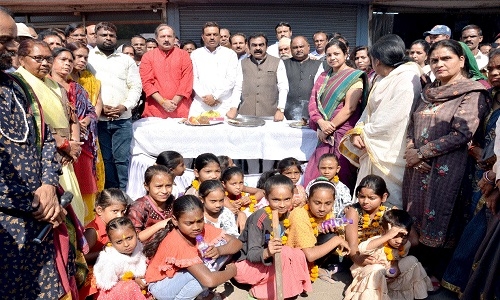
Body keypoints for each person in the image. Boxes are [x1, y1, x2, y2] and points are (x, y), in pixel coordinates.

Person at [402, 39, 490, 284]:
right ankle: (414, 271)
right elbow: (412, 125)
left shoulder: (472, 92)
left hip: (448, 169)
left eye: (446, 58)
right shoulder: (427, 91)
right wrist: (411, 151)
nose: (439, 64)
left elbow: (462, 134)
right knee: (415, 217)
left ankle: (435, 273)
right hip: (417, 169)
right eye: (434, 60)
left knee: (441, 217)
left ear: (462, 60)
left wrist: (421, 153)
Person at [0, 7, 66, 298]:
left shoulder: (16, 87)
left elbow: (45, 140)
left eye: (12, 39)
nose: (12, 47)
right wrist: (34, 203)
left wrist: (49, 186)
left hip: (38, 222)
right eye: (3, 40)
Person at [441, 48, 500, 296]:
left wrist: (490, 164)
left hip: (493, 175)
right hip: (476, 171)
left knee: (482, 229)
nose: (495, 73)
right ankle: (459, 282)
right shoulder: (489, 96)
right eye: (491, 69)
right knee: (468, 223)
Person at [339, 34, 422, 208]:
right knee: (366, 195)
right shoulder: (382, 78)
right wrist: (357, 131)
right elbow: (369, 112)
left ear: (377, 61)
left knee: (388, 198)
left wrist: (363, 132)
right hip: (373, 145)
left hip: (391, 151)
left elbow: (393, 120)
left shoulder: (406, 80)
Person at [15, 40, 86, 223]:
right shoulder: (18, 86)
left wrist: (74, 145)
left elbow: (72, 117)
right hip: (40, 159)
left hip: (66, 155)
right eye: (38, 58)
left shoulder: (55, 85)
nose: (45, 63)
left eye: (48, 59)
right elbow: (35, 124)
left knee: (72, 210)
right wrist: (63, 144)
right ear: (22, 60)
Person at [144, 195, 241, 300]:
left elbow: (236, 242)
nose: (196, 227)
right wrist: (231, 271)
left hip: (178, 280)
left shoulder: (202, 229)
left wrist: (219, 250)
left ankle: (200, 295)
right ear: (175, 221)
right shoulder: (177, 241)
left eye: (200, 221)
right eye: (189, 223)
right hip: (161, 288)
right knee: (205, 272)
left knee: (220, 246)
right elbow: (209, 280)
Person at [234, 174, 312, 299]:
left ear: (293, 197)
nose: (282, 205)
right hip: (246, 267)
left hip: (268, 264)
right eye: (276, 200)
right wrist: (268, 252)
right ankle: (260, 291)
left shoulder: (287, 214)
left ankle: (291, 287)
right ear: (266, 197)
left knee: (297, 253)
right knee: (284, 252)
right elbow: (252, 254)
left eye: (287, 199)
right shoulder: (258, 218)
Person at [305, 39, 368, 191]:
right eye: (328, 55)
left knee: (342, 173)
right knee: (315, 172)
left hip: (342, 132)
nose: (332, 58)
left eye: (336, 54)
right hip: (324, 130)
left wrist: (329, 127)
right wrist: (320, 123)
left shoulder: (355, 76)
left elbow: (350, 108)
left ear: (346, 54)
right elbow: (313, 102)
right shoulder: (323, 76)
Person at [88, 22, 142, 190]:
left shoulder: (126, 60)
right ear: (96, 36)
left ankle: (124, 194)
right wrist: (98, 108)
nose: (108, 38)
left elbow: (136, 87)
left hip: (122, 119)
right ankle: (110, 195)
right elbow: (84, 87)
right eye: (104, 35)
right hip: (98, 120)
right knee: (104, 160)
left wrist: (124, 107)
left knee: (122, 159)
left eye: (111, 35)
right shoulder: (88, 59)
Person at [49, 47, 99, 225]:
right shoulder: (44, 86)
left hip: (81, 145)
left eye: (70, 61)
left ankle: (85, 226)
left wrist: (84, 121)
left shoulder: (76, 88)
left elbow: (92, 112)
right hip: (57, 145)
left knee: (83, 187)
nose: (67, 64)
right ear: (52, 61)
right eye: (63, 60)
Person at [344, 209, 433, 300]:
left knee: (412, 260)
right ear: (383, 231)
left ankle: (418, 295)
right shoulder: (377, 241)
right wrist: (388, 236)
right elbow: (363, 249)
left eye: (404, 236)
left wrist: (395, 267)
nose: (399, 241)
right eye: (394, 236)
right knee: (377, 268)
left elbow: (399, 258)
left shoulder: (404, 244)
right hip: (369, 277)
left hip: (390, 276)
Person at [67, 41, 105, 219]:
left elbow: (93, 107)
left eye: (85, 57)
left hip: (87, 137)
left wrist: (88, 119)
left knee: (86, 179)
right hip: (67, 139)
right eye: (78, 57)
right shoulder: (59, 83)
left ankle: (88, 220)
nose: (82, 60)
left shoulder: (86, 83)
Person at [287, 180, 350, 284]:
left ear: (333, 202)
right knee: (333, 238)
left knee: (333, 234)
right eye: (317, 203)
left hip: (311, 253)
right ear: (308, 199)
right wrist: (337, 240)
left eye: (328, 203)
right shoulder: (299, 214)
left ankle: (322, 267)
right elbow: (310, 255)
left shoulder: (328, 213)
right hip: (294, 261)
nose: (322, 208)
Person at [227, 32, 289, 122]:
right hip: (246, 114)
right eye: (254, 45)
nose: (258, 48)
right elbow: (238, 87)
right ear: (249, 47)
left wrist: (281, 109)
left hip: (271, 115)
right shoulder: (242, 63)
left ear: (266, 46)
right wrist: (233, 107)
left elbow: (283, 87)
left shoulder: (277, 62)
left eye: (261, 45)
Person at [81, 188, 129, 299]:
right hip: (91, 272)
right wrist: (106, 252)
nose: (120, 216)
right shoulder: (93, 231)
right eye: (115, 211)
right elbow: (82, 258)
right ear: (99, 210)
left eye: (123, 211)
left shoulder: (114, 226)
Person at [140, 24, 193, 119]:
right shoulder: (148, 56)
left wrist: (174, 102)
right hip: (155, 110)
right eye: (162, 36)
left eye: (169, 36)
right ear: (156, 39)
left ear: (174, 39)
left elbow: (187, 80)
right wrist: (163, 102)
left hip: (180, 109)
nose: (166, 39)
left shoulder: (183, 55)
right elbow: (146, 83)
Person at [189, 22, 238, 117]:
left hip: (222, 103)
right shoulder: (195, 54)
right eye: (208, 35)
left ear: (219, 36)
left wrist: (215, 96)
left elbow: (231, 79)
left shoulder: (230, 54)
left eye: (215, 34)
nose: (212, 37)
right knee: (196, 130)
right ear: (203, 37)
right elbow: (194, 78)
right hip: (201, 104)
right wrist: (206, 98)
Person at [344, 175, 392, 272]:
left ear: (383, 197)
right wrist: (359, 260)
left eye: (371, 198)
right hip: (358, 255)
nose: (365, 201)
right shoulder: (353, 211)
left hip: (383, 254)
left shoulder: (390, 212)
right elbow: (352, 244)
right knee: (375, 270)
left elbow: (413, 240)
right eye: (362, 197)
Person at [94, 217, 148, 300]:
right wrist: (133, 280)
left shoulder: (139, 247)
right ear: (111, 242)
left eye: (129, 238)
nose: (126, 244)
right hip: (113, 295)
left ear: (136, 234)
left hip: (137, 289)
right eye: (119, 242)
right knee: (130, 287)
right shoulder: (110, 259)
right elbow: (107, 284)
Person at [128, 165, 174, 243]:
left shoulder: (172, 202)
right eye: (159, 186)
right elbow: (133, 238)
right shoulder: (139, 207)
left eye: (168, 186)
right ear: (146, 186)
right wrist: (159, 225)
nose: (165, 191)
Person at [283, 36, 322, 120]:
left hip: (311, 111)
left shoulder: (319, 65)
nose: (298, 49)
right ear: (291, 49)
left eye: (301, 46)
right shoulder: (283, 64)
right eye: (295, 47)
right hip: (287, 112)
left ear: (308, 47)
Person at [305, 153, 353, 217]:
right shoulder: (312, 184)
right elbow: (307, 200)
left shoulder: (342, 188)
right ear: (318, 168)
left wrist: (347, 208)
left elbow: (347, 204)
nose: (326, 172)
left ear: (337, 169)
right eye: (323, 168)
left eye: (330, 168)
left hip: (336, 221)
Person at [221, 166, 253, 232]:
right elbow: (233, 210)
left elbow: (262, 192)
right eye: (233, 184)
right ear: (224, 184)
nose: (238, 187)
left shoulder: (242, 192)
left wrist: (250, 198)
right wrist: (240, 213)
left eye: (241, 183)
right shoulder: (221, 195)